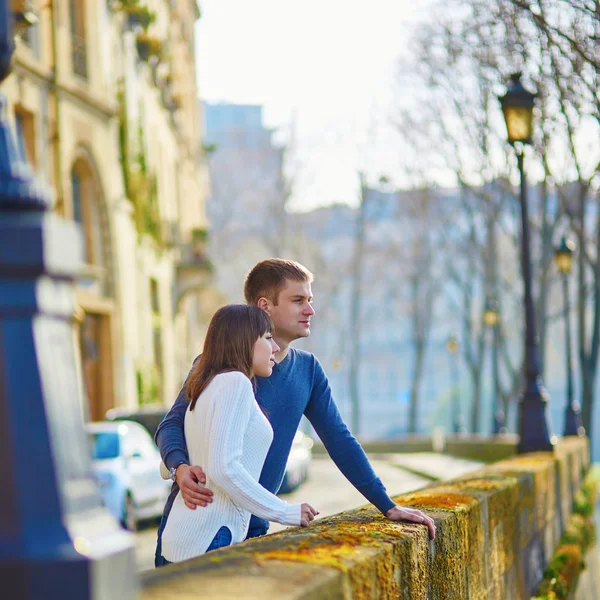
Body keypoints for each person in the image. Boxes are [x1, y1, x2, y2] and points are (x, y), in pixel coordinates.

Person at [155, 259, 435, 566]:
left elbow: (340, 441)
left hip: (253, 529)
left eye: (310, 300)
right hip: (197, 526)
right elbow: (172, 426)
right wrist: (179, 467)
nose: (310, 310)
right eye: (298, 300)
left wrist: (387, 505)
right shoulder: (222, 365)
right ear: (265, 306)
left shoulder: (308, 370)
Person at [161, 304, 318, 563]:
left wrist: (177, 468)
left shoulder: (205, 386)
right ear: (244, 340)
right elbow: (224, 468)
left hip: (184, 536)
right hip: (210, 537)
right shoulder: (236, 383)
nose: (275, 348)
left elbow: (174, 461)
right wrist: (285, 512)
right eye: (268, 338)